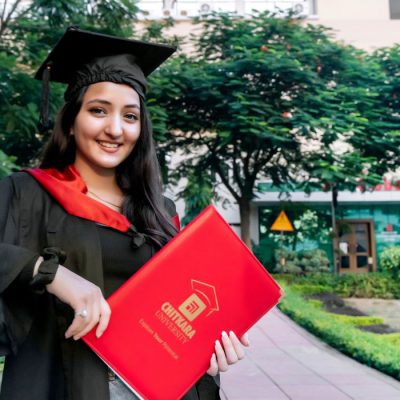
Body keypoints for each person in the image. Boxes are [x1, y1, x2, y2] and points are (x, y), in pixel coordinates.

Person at [0, 28, 249, 400]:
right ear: (71, 120)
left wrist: (207, 349)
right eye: (98, 110)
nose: (115, 129)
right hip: (65, 386)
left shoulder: (159, 211)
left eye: (130, 116)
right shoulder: (26, 192)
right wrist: (49, 273)